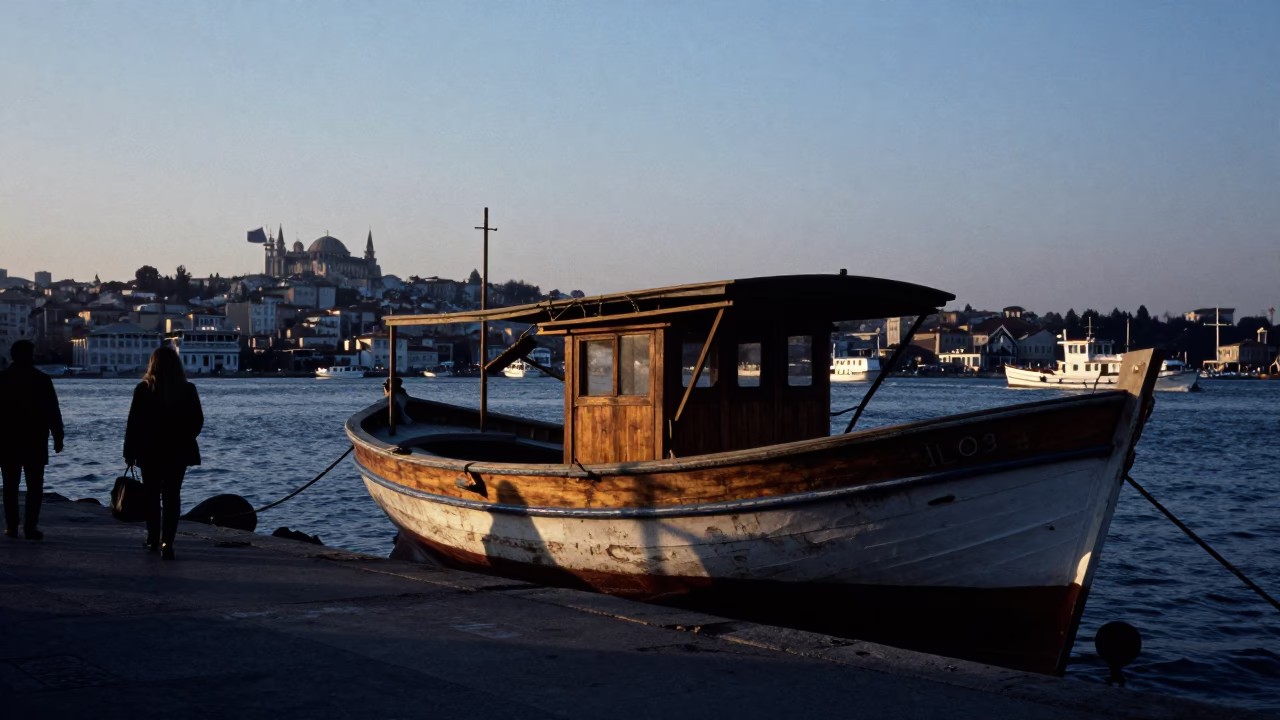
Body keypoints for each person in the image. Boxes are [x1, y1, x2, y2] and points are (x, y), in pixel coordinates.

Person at [124, 346, 203, 560]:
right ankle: (168, 541)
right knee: (172, 496)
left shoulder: (143, 390)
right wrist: (183, 438)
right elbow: (197, 421)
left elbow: (134, 424)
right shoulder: (188, 389)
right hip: (178, 452)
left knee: (151, 496)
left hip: (150, 451)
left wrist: (129, 452)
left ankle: (152, 538)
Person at [0, 340, 64, 540]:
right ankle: (30, 526)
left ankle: (11, 526)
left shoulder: (2, 379)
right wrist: (58, 436)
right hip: (35, 440)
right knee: (35, 486)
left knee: (10, 485)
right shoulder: (42, 379)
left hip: (7, 440)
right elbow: (52, 410)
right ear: (30, 355)